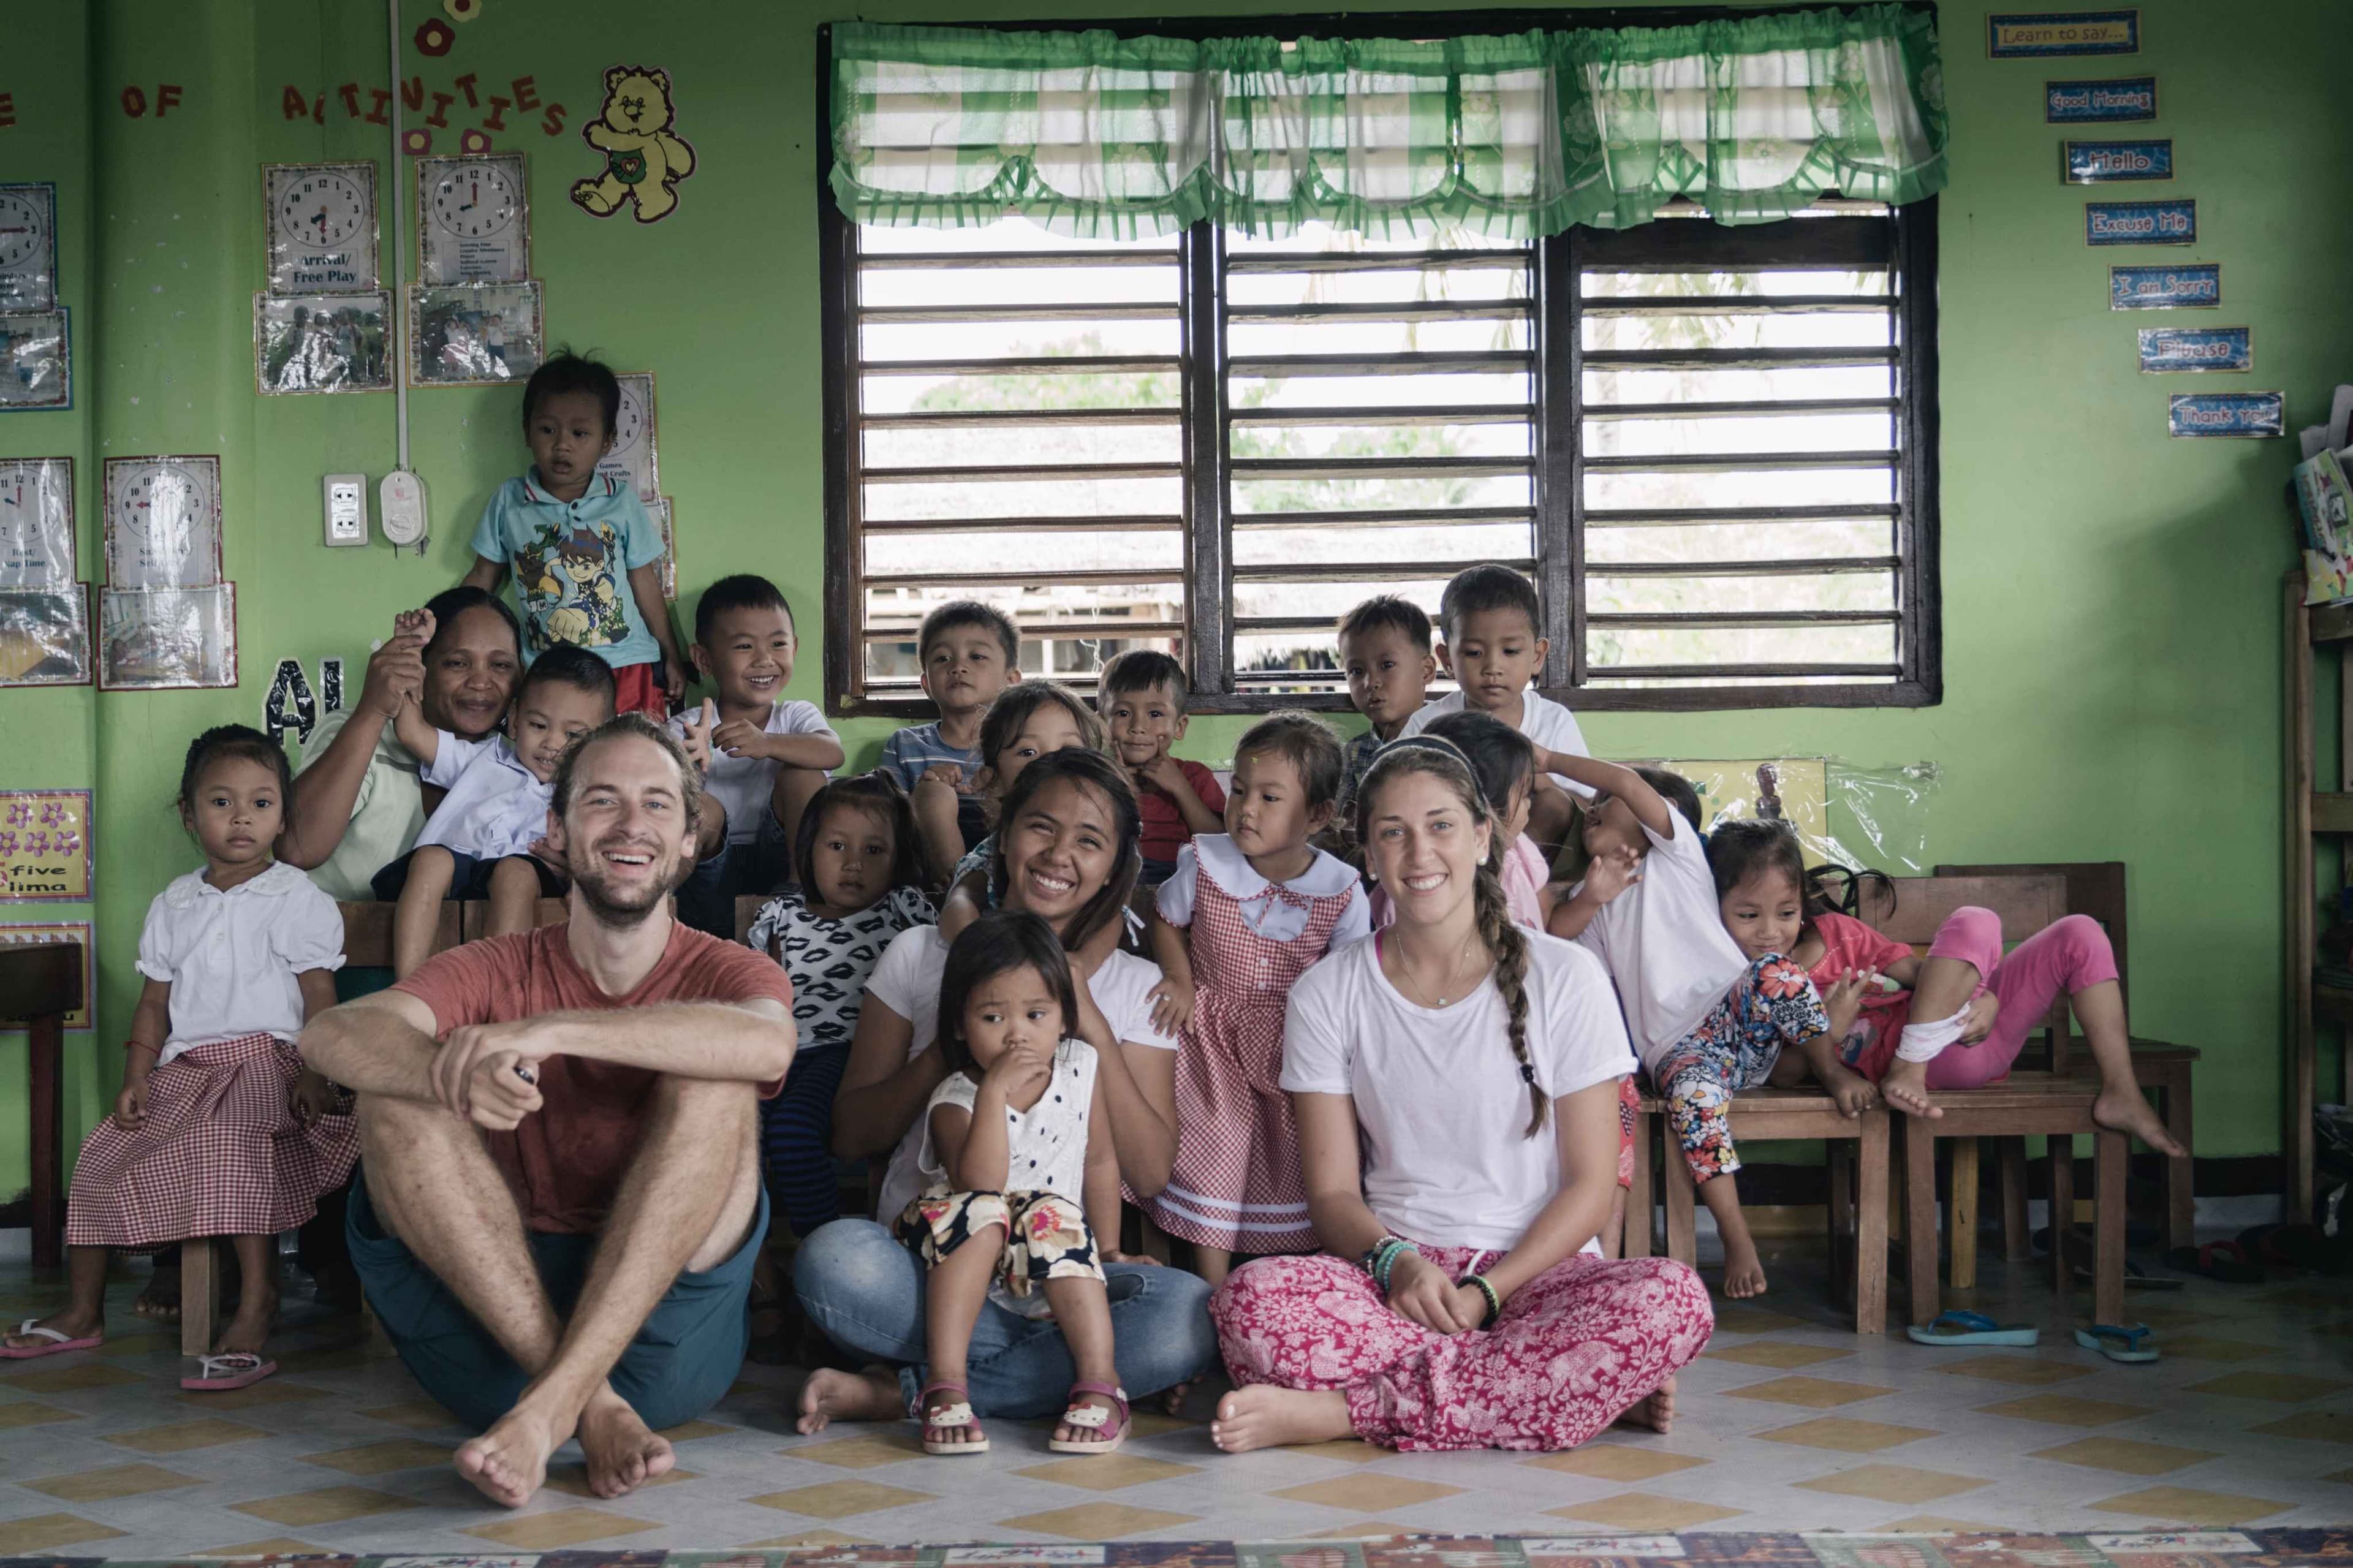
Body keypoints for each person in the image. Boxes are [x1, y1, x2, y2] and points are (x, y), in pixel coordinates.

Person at [298, 714, 797, 1509]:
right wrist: (447, 1074)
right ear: (556, 835)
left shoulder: (730, 969)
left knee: (718, 1072)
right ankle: (578, 1404)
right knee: (400, 1090)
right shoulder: (492, 964)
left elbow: (768, 1048)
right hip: (489, 1322)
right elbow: (332, 1032)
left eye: (658, 805)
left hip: (661, 1340)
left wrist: (555, 1028)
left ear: (690, 840)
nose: (633, 824)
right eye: (603, 801)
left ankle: (556, 1401)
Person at [1207, 738, 1711, 1453]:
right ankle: (1562, 1388)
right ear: (1369, 853)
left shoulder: (1568, 978)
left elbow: (1592, 1186)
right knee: (1252, 1306)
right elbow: (1332, 1195)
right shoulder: (1328, 992)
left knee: (1673, 1301)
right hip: (1397, 1281)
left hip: (1541, 1274)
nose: (1420, 853)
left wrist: (1491, 1294)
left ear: (1483, 838)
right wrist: (1397, 1263)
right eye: (1393, 832)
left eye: (1442, 825)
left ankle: (1347, 1413)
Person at [795, 748, 1215, 1438]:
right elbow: (852, 1136)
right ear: (1004, 833)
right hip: (925, 1271)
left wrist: (1091, 1027)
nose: (1058, 855)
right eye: (1040, 828)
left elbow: (1146, 1172)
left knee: (1186, 1317)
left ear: (1113, 866)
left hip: (1060, 1285)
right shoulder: (919, 954)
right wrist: (957, 1038)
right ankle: (1076, 1377)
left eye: (1089, 841)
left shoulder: (1134, 985)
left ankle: (916, 1388)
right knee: (834, 1262)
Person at [3, 727, 353, 1392]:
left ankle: (257, 1300)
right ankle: (82, 1311)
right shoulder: (175, 904)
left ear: (284, 814)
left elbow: (321, 997)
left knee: (228, 1144)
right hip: (188, 1071)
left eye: (261, 802)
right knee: (103, 1149)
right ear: (190, 816)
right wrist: (137, 1077)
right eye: (221, 803)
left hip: (268, 1062)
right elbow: (153, 1007)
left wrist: (314, 1068)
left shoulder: (295, 898)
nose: (242, 817)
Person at [1547, 756, 1831, 1300]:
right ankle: (1735, 1233)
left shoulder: (1678, 859)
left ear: (1660, 817)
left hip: (1736, 1016)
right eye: (1592, 807)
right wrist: (1590, 896)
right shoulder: (1598, 898)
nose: (1594, 809)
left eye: (1606, 804)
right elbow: (1559, 937)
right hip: (1680, 1054)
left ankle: (1829, 1067)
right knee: (1692, 1103)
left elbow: (1628, 782)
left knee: (1776, 970)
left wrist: (1547, 760)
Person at [1712, 830, 2187, 1154]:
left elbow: (1926, 974)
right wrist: (1830, 1030)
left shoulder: (1841, 932)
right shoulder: (1746, 982)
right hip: (1944, 1063)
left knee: (2058, 929)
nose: (1770, 932)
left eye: (1787, 911)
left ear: (1803, 899)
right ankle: (1911, 1066)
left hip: (1974, 1033)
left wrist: (1988, 998)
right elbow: (1783, 1076)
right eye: (1749, 916)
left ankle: (2121, 1090)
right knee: (1980, 936)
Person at [1375, 712, 1644, 1259]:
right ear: (1490, 814)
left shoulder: (1522, 859)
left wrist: (1591, 898)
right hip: (1465, 1058)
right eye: (1525, 795)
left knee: (1611, 1108)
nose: (1530, 808)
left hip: (1535, 1034)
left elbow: (1549, 930)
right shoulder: (1417, 890)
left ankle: (1596, 1256)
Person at [1142, 712, 1368, 1285]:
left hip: (1295, 1042)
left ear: (1317, 815)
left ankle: (1299, 1281)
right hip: (1211, 1036)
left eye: (1270, 797)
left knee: (1301, 1152)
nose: (1244, 808)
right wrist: (1182, 979)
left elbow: (1351, 977)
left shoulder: (1341, 890)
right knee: (1218, 1143)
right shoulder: (1206, 862)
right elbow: (1165, 921)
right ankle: (1213, 1285)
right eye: (1239, 790)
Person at [899, 912, 1127, 1455]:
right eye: (993, 1016)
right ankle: (946, 1380)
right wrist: (992, 1094)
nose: (1017, 1032)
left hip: (1055, 1271)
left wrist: (1113, 1251)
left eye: (1035, 1013)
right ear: (959, 1025)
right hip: (963, 1269)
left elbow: (1098, 1161)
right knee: (986, 1213)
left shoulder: (1081, 1068)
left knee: (1059, 1219)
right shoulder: (955, 1098)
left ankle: (1101, 1379)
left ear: (1064, 1018)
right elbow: (980, 1183)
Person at [746, 772, 936, 1242]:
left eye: (874, 850)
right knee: (737, 1134)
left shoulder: (900, 909)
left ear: (899, 859)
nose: (853, 863)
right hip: (780, 1051)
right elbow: (758, 989)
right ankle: (753, 1259)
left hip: (850, 1054)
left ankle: (825, 1254)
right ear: (808, 848)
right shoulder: (780, 915)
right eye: (837, 846)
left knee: (792, 1133)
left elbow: (941, 958)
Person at [460, 350, 688, 718]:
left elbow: (645, 581)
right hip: (549, 671)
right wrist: (440, 631)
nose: (562, 444)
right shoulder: (510, 500)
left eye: (580, 433)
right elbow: (483, 577)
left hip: (626, 663)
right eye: (548, 430)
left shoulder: (620, 501)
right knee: (557, 760)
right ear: (527, 431)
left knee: (631, 760)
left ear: (607, 441)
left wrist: (672, 655)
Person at [371, 640, 617, 979]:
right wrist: (409, 658)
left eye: (573, 734)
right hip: (458, 864)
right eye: (538, 726)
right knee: (429, 859)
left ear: (601, 740)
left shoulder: (589, 795)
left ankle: (498, 994)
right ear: (515, 720)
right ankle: (412, 990)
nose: (553, 744)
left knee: (514, 873)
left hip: (524, 873)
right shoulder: (484, 756)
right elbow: (412, 733)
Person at [279, 588, 523, 904]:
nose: (481, 682)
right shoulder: (361, 729)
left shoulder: (517, 763)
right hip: (330, 946)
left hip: (453, 952)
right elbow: (297, 848)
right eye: (457, 663)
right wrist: (374, 710)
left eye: (501, 665)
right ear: (421, 667)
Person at [671, 574, 844, 937]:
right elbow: (649, 788)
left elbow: (833, 753)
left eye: (778, 644)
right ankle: (650, 900)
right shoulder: (687, 727)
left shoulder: (796, 715)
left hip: (783, 859)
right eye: (744, 647)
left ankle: (800, 896)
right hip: (711, 867)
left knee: (805, 773)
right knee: (702, 807)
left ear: (794, 648)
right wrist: (685, 765)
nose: (766, 660)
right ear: (703, 658)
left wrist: (767, 743)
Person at [1398, 565, 1591, 850]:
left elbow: (1588, 806)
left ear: (1537, 656)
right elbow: (1397, 796)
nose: (1493, 668)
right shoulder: (1427, 723)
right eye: (1474, 653)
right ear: (1446, 658)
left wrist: (1539, 783)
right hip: (1452, 853)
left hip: (1534, 859)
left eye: (1510, 651)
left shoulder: (1553, 721)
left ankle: (1516, 884)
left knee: (1554, 803)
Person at [934, 681, 1108, 940]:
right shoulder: (991, 855)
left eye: (1069, 750)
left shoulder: (1102, 844)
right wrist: (986, 962)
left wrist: (1082, 965)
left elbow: (1114, 912)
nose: (1051, 762)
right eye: (1028, 752)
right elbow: (959, 904)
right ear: (992, 780)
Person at [880, 600, 1021, 887]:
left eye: (977, 656)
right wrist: (925, 787)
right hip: (932, 871)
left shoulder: (1021, 744)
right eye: (943, 659)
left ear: (1011, 681)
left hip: (1006, 856)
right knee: (934, 793)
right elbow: (882, 819)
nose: (959, 667)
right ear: (926, 684)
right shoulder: (906, 744)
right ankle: (959, 890)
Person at [1097, 650, 1223, 890]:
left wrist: (1180, 788)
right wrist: (1117, 785)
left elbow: (1220, 843)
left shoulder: (1195, 777)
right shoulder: (1097, 777)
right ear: (1102, 724)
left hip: (1183, 880)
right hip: (1115, 879)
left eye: (1155, 714)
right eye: (1123, 713)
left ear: (1179, 726)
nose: (1138, 727)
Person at [1335, 595, 1438, 833]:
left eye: (1387, 665)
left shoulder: (1450, 739)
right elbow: (1343, 825)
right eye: (1357, 671)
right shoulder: (1355, 753)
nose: (1371, 683)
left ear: (1426, 671)